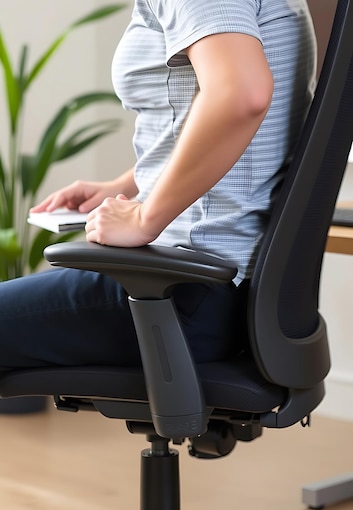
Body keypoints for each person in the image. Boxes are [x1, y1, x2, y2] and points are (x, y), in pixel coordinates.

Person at [0, 0, 316, 371]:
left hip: (175, 293)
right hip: (233, 295)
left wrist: (144, 219)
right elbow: (242, 134)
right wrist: (124, 185)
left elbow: (241, 94)